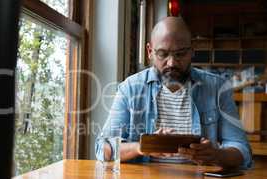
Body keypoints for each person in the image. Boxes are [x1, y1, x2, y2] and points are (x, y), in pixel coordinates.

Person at [95, 17, 252, 169]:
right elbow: (103, 148)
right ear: (150, 51)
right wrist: (142, 147)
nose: (172, 63)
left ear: (192, 51)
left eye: (180, 54)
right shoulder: (130, 88)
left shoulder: (217, 88)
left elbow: (242, 151)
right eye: (163, 54)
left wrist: (215, 155)